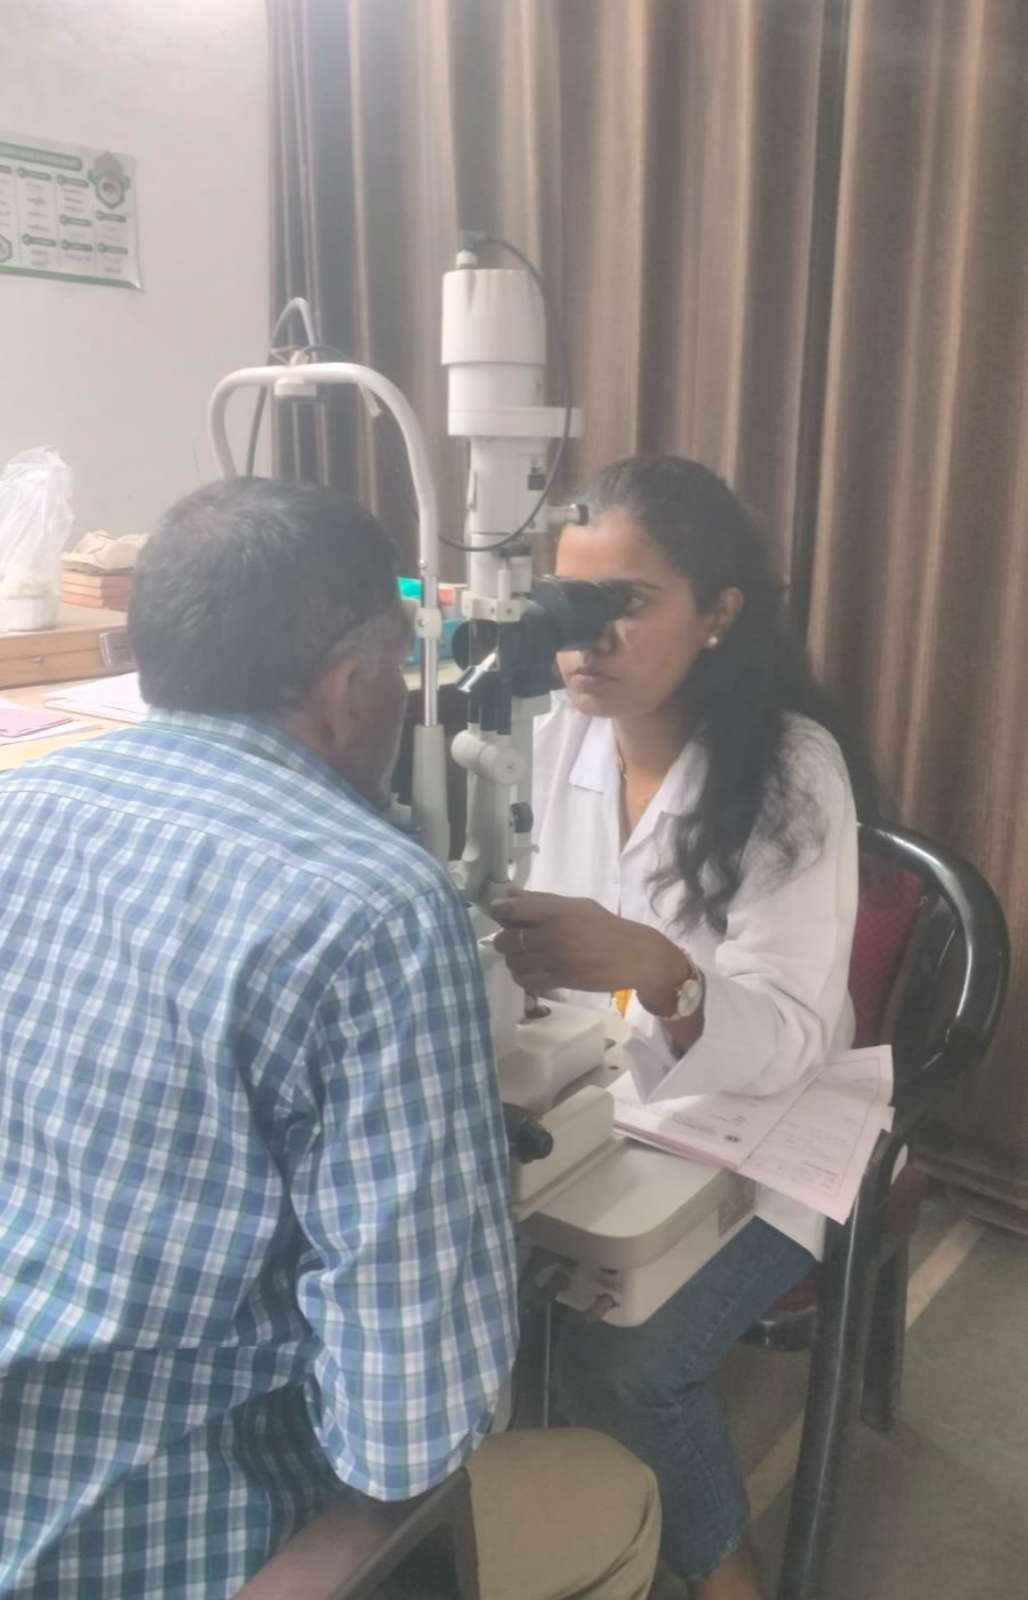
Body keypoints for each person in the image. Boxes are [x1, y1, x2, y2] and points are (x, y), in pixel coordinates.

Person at [0, 478, 660, 1600]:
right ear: (353, 686)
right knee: (615, 1488)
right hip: (179, 1534)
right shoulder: (372, 908)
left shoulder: (22, 802)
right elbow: (408, 1432)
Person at [494, 456, 873, 1600]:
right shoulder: (554, 732)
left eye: (626, 602)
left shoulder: (791, 773)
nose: (586, 639)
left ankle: (723, 1575)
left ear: (718, 613)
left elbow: (791, 1031)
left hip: (774, 1121)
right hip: (598, 1092)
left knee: (628, 1359)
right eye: (570, 600)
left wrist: (663, 974)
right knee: (472, 1284)